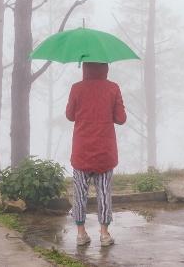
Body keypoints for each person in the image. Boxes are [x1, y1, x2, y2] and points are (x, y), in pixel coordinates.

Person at [65, 62, 127, 247]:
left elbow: (69, 115)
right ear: (105, 67)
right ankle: (104, 234)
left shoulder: (76, 88)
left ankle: (81, 233)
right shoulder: (112, 88)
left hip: (81, 151)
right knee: (104, 193)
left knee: (79, 194)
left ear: (85, 67)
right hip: (104, 153)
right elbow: (121, 119)